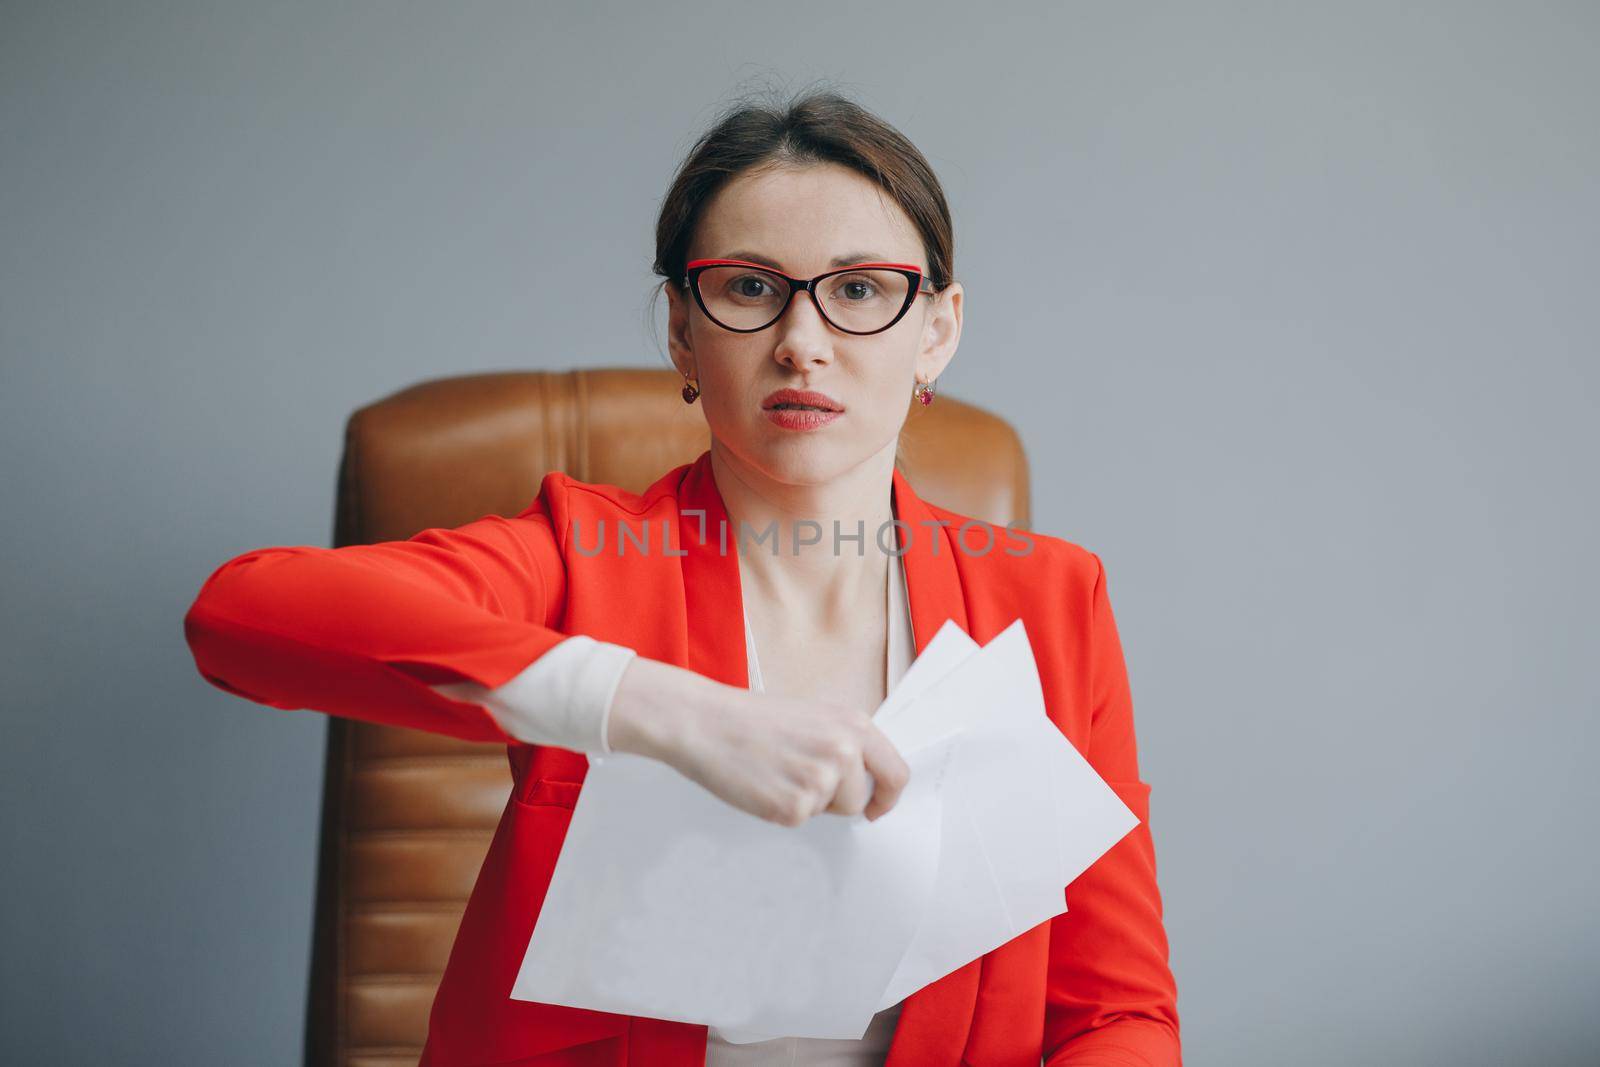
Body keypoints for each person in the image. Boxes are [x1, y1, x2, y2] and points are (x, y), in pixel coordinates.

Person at [182, 90, 1181, 1067]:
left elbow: (1115, 1010)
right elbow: (241, 614)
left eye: (861, 288)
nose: (802, 340)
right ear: (680, 330)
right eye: (748, 286)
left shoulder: (1048, 601)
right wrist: (660, 708)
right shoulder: (582, 554)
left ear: (937, 329)